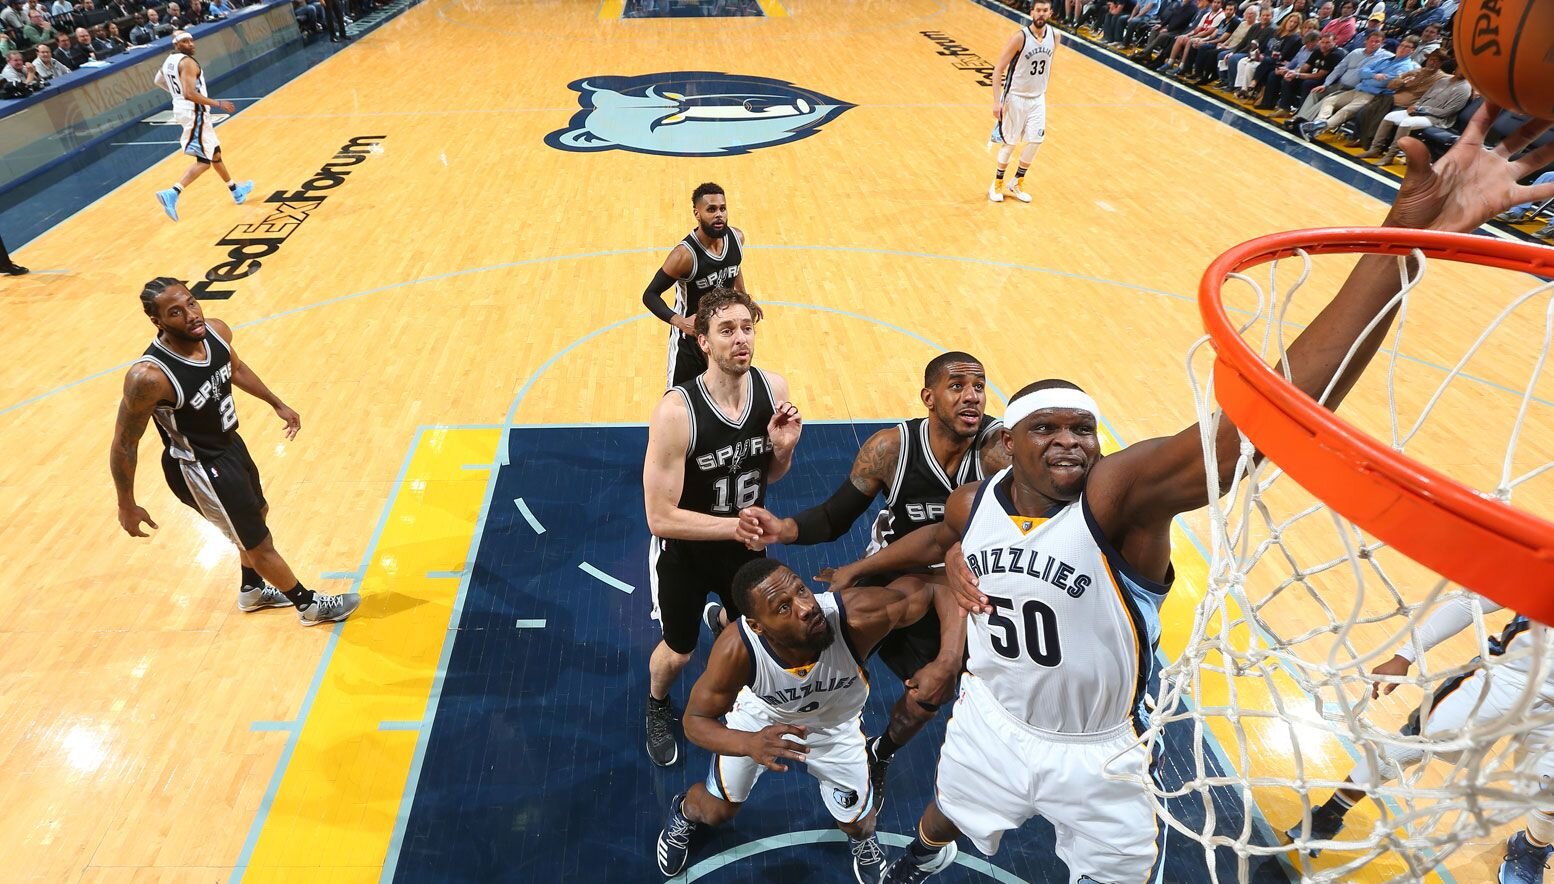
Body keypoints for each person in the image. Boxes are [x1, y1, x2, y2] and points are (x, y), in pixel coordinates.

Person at [869, 103, 1554, 883]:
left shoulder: (1116, 498)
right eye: (1047, 429)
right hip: (992, 717)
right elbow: (957, 546)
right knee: (945, 809)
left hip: (1099, 754)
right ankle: (920, 857)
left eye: (1083, 428)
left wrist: (1400, 243)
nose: (1071, 441)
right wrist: (956, 580)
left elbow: (1253, 432)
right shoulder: (974, 504)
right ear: (1005, 446)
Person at [736, 353, 1009, 808]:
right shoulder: (890, 449)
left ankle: (880, 753)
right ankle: (744, 652)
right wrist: (785, 528)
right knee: (816, 645)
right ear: (928, 397)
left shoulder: (999, 452)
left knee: (931, 691)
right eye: (957, 386)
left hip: (958, 587)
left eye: (979, 386)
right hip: (890, 572)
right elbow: (834, 516)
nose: (971, 397)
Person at [654, 559, 966, 883]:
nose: (806, 607)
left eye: (801, 590)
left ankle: (861, 842)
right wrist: (747, 742)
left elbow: (938, 584)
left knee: (861, 823)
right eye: (784, 607)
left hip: (835, 728)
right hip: (761, 721)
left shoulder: (857, 616)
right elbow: (695, 720)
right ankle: (684, 811)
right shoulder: (738, 649)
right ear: (758, 626)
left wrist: (947, 661)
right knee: (716, 811)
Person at [110, 278, 362, 626]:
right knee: (257, 542)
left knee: (258, 513)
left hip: (230, 446)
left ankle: (253, 590)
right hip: (198, 467)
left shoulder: (215, 332)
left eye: (192, 303)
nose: (192, 315)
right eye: (176, 312)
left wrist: (276, 402)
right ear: (158, 321)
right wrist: (126, 502)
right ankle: (308, 605)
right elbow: (125, 442)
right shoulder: (149, 377)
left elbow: (236, 369)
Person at [641, 287, 802, 768]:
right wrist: (734, 528)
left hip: (743, 545)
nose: (740, 340)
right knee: (678, 653)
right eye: (726, 330)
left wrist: (783, 449)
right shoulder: (676, 412)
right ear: (703, 342)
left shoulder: (774, 390)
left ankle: (736, 691)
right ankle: (656, 705)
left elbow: (769, 475)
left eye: (747, 328)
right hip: (686, 552)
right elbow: (659, 517)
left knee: (746, 636)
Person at [1289, 595, 1554, 883]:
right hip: (1504, 676)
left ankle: (1530, 849)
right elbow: (1470, 603)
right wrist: (1405, 655)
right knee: (1410, 746)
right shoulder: (1544, 567)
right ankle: (1329, 814)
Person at [640, 182, 748, 388]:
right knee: (678, 403)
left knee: (725, 398)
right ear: (697, 213)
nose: (719, 215)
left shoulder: (737, 238)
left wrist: (744, 296)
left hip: (722, 337)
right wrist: (680, 322)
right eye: (711, 209)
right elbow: (650, 295)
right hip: (689, 342)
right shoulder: (684, 256)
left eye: (722, 208)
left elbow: (734, 264)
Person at [152, 31, 252, 222]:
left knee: (215, 153)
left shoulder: (169, 61)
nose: (190, 43)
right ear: (176, 45)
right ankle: (172, 193)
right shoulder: (188, 63)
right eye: (184, 41)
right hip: (194, 112)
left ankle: (235, 190)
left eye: (191, 40)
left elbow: (158, 81)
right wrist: (218, 104)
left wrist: (176, 95)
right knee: (204, 161)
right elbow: (189, 93)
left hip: (185, 110)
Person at [988, 0, 1059, 204]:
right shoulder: (1020, 37)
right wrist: (996, 101)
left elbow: (1047, 65)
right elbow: (998, 68)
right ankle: (997, 183)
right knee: (1010, 143)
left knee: (1036, 140)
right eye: (1038, 10)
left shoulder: (1055, 36)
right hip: (1015, 97)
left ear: (1050, 13)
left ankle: (1017, 181)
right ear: (1031, 12)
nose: (1041, 14)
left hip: (1037, 98)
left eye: (1045, 11)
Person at [1361, 57, 1468, 162]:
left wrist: (1421, 109)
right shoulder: (1443, 81)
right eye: (1461, 68)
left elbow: (1447, 112)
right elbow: (1425, 97)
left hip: (1436, 119)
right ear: (1456, 68)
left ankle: (1390, 155)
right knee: (1390, 116)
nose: (1462, 72)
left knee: (1406, 122)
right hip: (1419, 111)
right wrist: (1415, 106)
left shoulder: (1464, 89)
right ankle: (1375, 149)